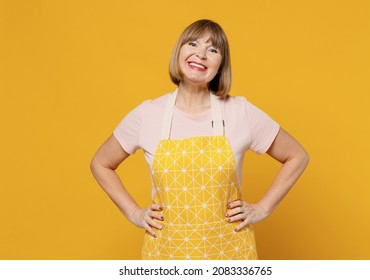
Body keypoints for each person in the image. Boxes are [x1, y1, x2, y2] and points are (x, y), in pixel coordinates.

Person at [90, 19, 309, 260]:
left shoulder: (240, 112)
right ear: (179, 52)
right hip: (167, 254)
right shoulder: (147, 114)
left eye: (212, 50)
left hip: (230, 253)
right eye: (193, 44)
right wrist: (134, 213)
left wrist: (263, 208)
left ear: (220, 65)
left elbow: (297, 156)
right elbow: (101, 163)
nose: (201, 54)